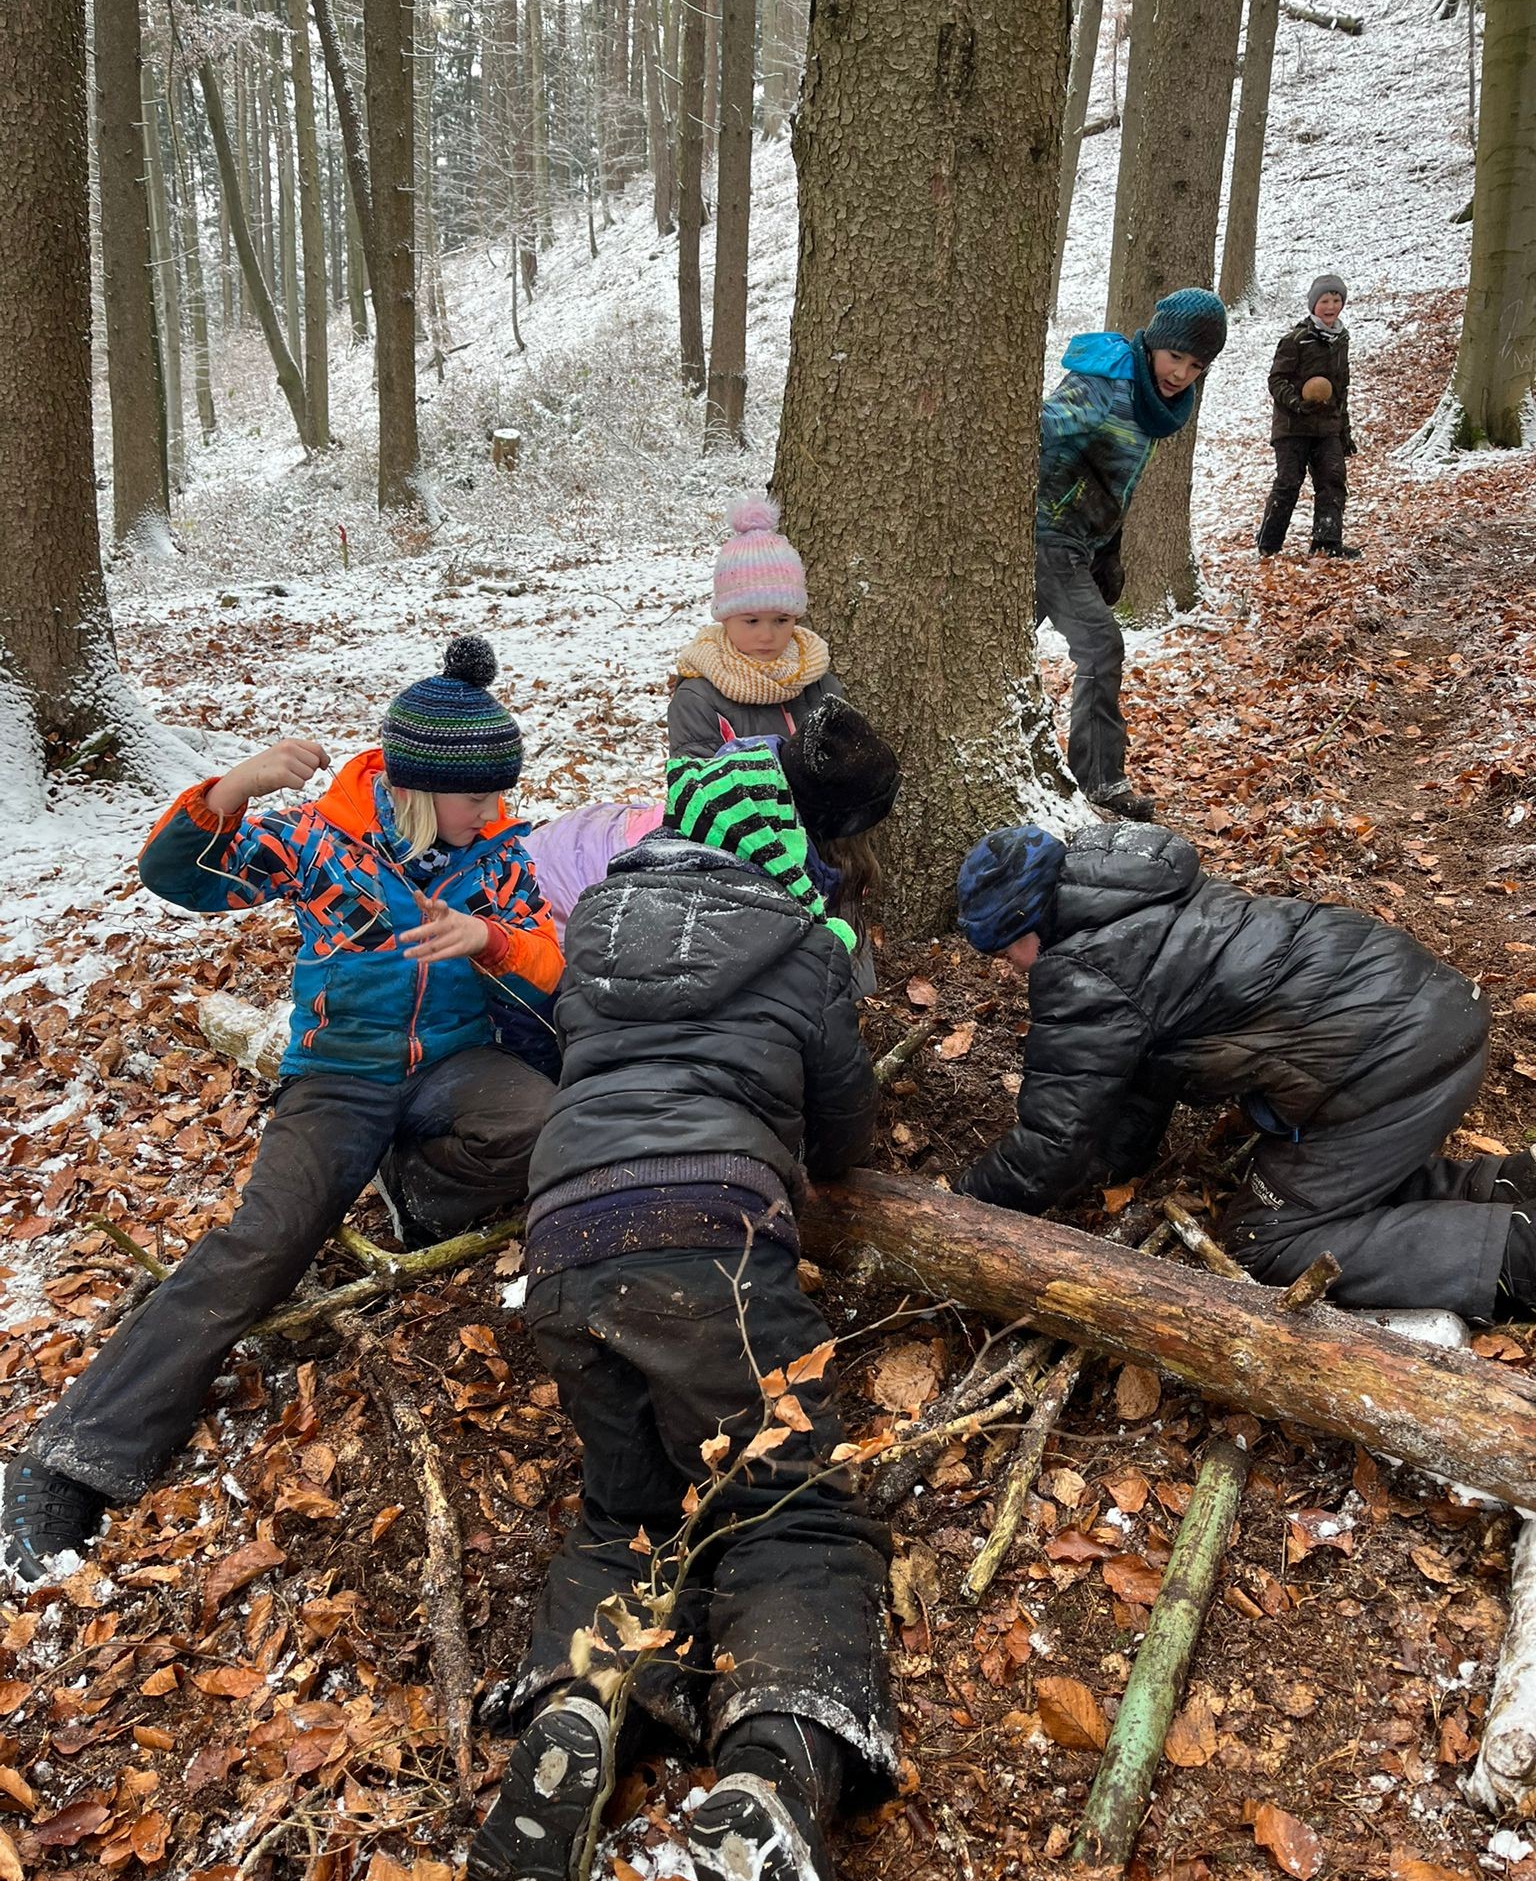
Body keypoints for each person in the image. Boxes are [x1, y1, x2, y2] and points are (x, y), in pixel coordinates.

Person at [3, 639, 561, 1579]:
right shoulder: (321, 843)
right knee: (265, 1241)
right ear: (424, 789)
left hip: (455, 1066)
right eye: (475, 797)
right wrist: (231, 791)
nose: (492, 811)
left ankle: (415, 1199)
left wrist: (494, 942)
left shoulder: (499, 855)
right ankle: (75, 1457)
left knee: (543, 1126)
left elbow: (548, 964)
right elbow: (177, 878)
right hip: (338, 1074)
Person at [467, 741, 897, 1881]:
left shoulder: (596, 924)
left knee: (630, 1508)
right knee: (790, 1504)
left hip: (561, 1237)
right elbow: (847, 1130)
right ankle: (774, 1769)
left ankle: (579, 1705)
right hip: (711, 1234)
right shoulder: (807, 949)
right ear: (777, 847)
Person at [952, 820, 1535, 1319]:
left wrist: (962, 1208)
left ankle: (1520, 1260)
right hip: (1430, 1010)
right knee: (1330, 1191)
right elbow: (1145, 1072)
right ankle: (1515, 1183)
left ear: (1029, 925)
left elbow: (1051, 1139)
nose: (1009, 969)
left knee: (1265, 1241)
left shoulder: (1084, 970)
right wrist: (1112, 1165)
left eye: (1006, 952)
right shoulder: (1141, 898)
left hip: (1389, 1068)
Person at [527, 696, 899, 986]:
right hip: (550, 902)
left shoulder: (750, 790)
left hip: (577, 846)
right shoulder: (762, 863)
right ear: (837, 828)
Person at [1035, 286, 1230, 822]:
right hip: (1046, 536)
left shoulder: (1151, 400)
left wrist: (1109, 549)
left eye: (1196, 365)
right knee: (1101, 646)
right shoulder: (1105, 384)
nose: (1181, 374)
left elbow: (1116, 481)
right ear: (1153, 345)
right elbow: (1032, 432)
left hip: (1078, 539)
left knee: (995, 646)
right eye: (1175, 357)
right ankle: (1100, 780)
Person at [669, 497, 844, 758]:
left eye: (781, 620)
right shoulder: (698, 700)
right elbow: (699, 787)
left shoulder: (819, 684)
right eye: (751, 621)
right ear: (725, 617)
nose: (767, 635)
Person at [1257, 274, 1359, 560]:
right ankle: (1269, 545)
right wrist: (1298, 403)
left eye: (1336, 300)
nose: (1331, 306)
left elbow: (1340, 388)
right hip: (1292, 426)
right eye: (1325, 300)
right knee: (1288, 483)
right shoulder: (1295, 340)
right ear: (1314, 304)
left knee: (1333, 480)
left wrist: (1344, 431)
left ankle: (1327, 542)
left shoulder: (1341, 339)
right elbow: (1276, 381)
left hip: (1327, 427)